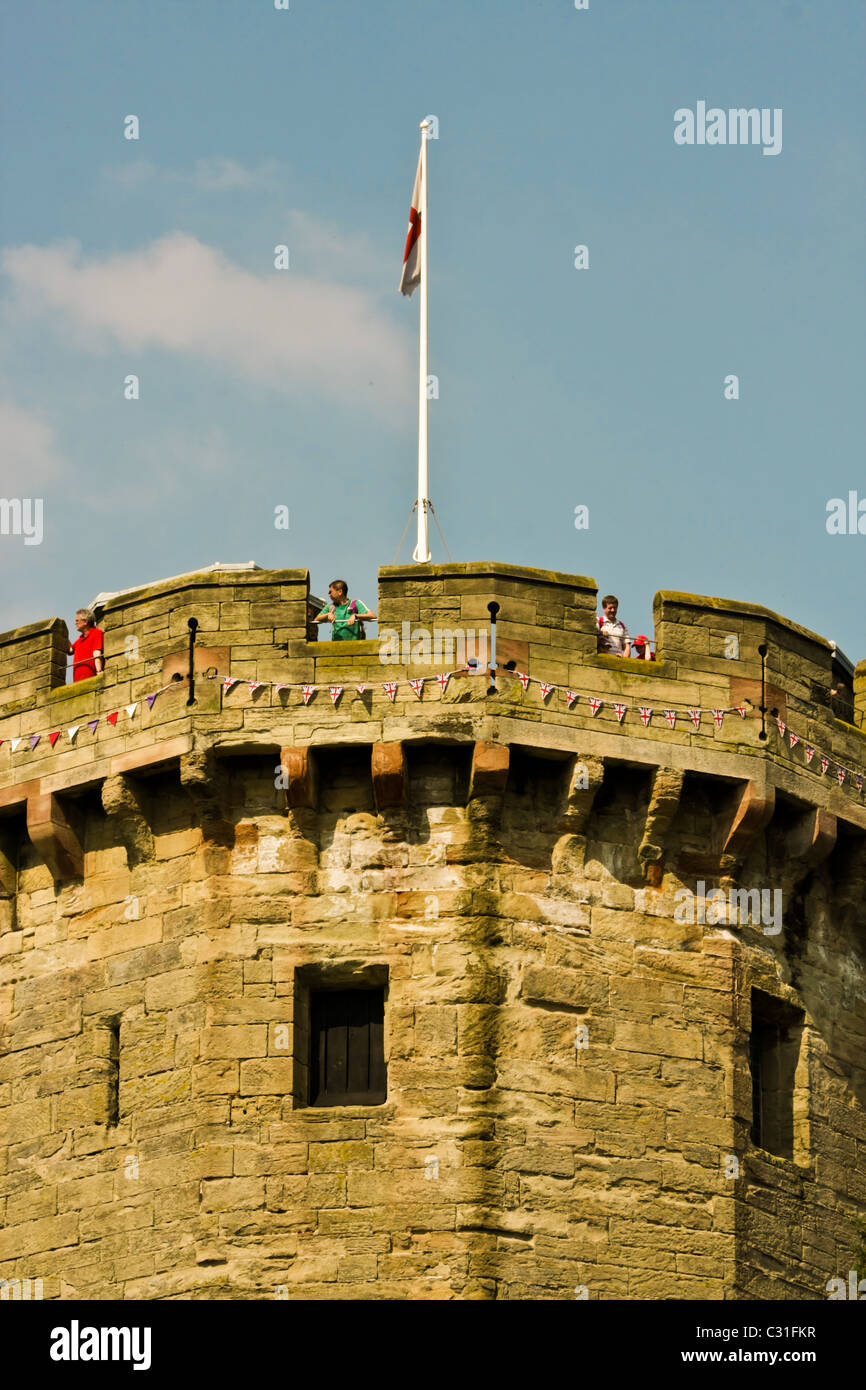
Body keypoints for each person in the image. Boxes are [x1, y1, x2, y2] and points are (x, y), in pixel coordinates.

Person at [69, 608, 104, 681]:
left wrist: (99, 671)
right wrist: (64, 636)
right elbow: (70, 650)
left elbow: (97, 653)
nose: (75, 623)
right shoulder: (80, 639)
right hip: (77, 681)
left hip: (90, 679)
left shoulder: (96, 633)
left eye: (77, 620)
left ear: (85, 622)